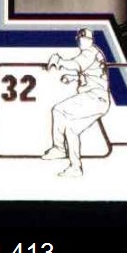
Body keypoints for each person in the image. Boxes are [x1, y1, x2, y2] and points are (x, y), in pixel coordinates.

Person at [41, 28, 111, 177]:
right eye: (80, 39)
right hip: (94, 97)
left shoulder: (90, 52)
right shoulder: (91, 53)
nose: (82, 41)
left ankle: (67, 157)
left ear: (91, 40)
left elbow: (76, 65)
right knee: (65, 121)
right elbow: (88, 72)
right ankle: (67, 158)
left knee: (62, 115)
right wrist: (71, 77)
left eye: (85, 38)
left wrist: (59, 61)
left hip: (95, 98)